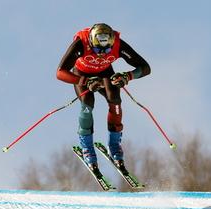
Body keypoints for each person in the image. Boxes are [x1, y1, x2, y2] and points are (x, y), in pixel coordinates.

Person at [56, 23, 150, 175]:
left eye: (106, 49)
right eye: (98, 49)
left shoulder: (118, 45)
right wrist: (85, 82)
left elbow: (145, 67)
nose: (101, 53)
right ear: (91, 41)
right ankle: (87, 148)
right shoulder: (81, 43)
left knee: (115, 100)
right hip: (82, 74)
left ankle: (114, 145)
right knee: (87, 103)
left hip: (105, 73)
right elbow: (60, 73)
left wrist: (127, 76)